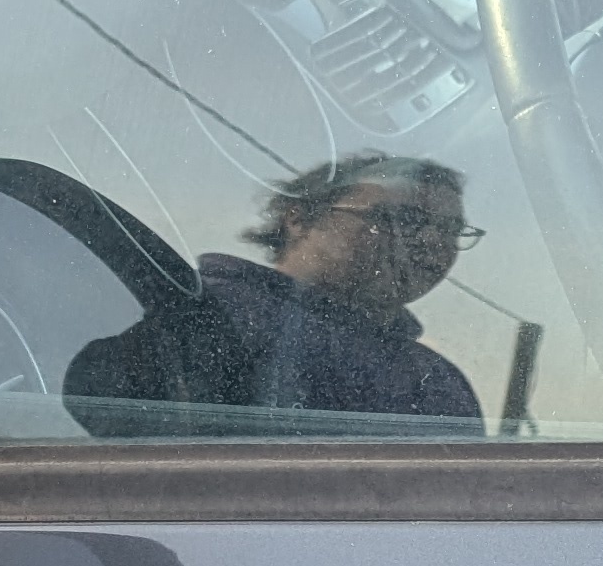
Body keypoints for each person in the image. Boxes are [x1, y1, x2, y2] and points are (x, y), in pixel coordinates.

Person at [71, 153, 486, 426]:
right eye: (402, 219)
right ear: (299, 218)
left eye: (451, 230)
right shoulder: (202, 313)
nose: (432, 241)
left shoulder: (438, 381)